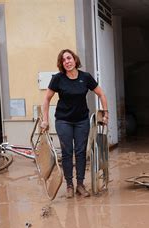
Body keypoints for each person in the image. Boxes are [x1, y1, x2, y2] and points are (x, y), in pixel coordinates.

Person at [41, 49, 109, 198]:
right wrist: (45, 120)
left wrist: (105, 113)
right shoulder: (58, 79)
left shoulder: (85, 77)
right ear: (61, 64)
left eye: (69, 58)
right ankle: (69, 185)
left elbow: (101, 94)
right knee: (67, 152)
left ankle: (80, 184)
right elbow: (46, 99)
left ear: (75, 59)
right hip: (63, 120)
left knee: (80, 152)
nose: (67, 61)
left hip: (81, 120)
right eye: (64, 60)